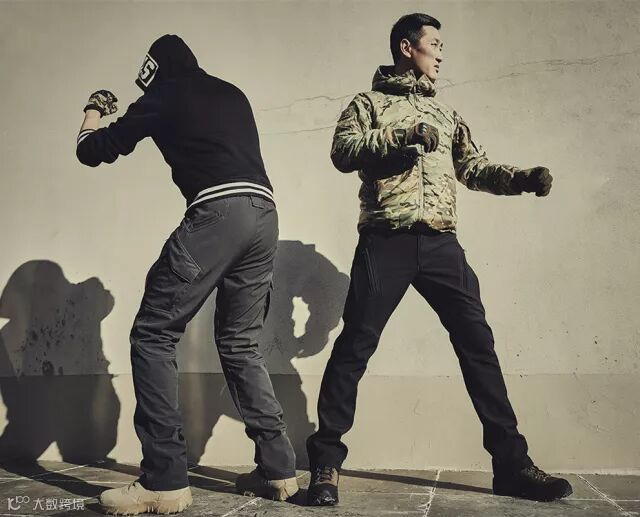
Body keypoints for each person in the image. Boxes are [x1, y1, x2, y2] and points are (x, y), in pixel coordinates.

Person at [305, 13, 571, 506]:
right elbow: (343, 151)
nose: (441, 54)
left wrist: (521, 179)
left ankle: (512, 466)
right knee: (356, 346)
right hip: (386, 240)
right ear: (407, 48)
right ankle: (325, 465)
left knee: (477, 343)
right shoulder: (368, 104)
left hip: (442, 244)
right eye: (435, 44)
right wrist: (399, 136)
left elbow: (473, 167)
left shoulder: (447, 113)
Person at [76, 34, 298, 514]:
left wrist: (93, 109)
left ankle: (164, 481)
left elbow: (92, 150)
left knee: (153, 333)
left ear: (153, 70)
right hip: (264, 214)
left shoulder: (163, 94)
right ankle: (279, 470)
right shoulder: (231, 92)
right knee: (240, 343)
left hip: (217, 214)